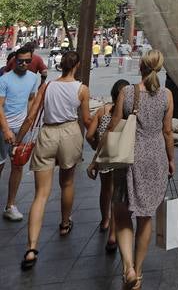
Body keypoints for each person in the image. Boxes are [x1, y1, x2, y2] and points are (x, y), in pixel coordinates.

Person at [94, 49, 174, 290]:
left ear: (139, 67)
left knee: (121, 214)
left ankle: (126, 267)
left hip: (127, 159)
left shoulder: (127, 92)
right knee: (146, 216)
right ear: (159, 69)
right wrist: (171, 160)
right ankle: (138, 275)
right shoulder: (166, 95)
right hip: (155, 158)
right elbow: (168, 131)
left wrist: (98, 157)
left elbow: (114, 125)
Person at [16, 50, 91, 270]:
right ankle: (65, 223)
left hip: (47, 134)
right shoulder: (81, 89)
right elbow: (85, 120)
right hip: (69, 133)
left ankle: (31, 248)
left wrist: (19, 140)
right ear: (76, 66)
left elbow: (31, 117)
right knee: (67, 182)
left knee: (40, 194)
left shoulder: (47, 86)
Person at [86, 79, 130, 253]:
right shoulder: (127, 114)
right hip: (121, 155)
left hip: (104, 155)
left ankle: (105, 220)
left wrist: (96, 147)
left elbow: (89, 135)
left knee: (105, 189)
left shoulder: (102, 111)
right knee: (117, 194)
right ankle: (113, 233)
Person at [0, 47, 40, 221]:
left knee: (17, 165)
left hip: (22, 129)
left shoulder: (33, 78)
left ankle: (10, 205)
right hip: (3, 128)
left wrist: (29, 123)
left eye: (27, 61)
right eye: (20, 61)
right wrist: (6, 129)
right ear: (14, 60)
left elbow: (31, 99)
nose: (24, 64)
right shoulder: (4, 80)